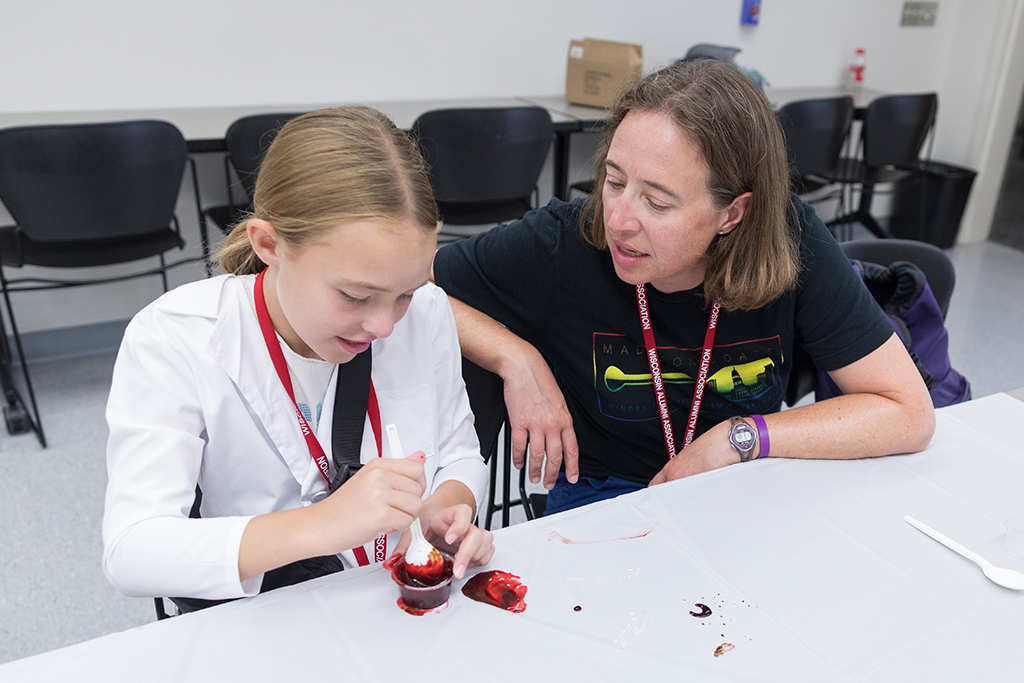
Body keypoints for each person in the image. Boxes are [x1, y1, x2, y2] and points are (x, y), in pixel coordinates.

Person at [432, 60, 935, 516]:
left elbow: (908, 412)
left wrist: (740, 437)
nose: (619, 219)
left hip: (737, 481)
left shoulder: (789, 239)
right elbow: (412, 284)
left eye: (657, 202)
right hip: (603, 496)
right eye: (613, 181)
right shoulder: (561, 243)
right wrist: (515, 357)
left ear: (732, 213)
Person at [103, 106, 494, 606]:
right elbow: (131, 550)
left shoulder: (428, 314)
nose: (384, 325)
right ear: (268, 244)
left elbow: (460, 451)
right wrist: (324, 524)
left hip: (385, 604)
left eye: (406, 293)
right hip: (264, 616)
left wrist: (444, 508)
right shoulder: (176, 337)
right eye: (354, 296)